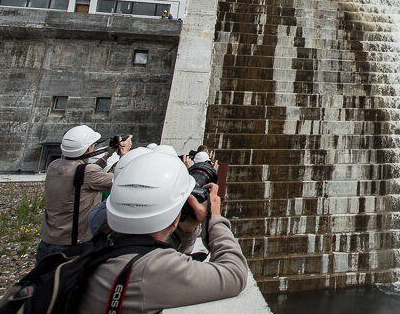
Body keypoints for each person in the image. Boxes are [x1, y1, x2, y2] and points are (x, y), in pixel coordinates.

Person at [77, 151, 248, 313]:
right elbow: (235, 274)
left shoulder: (95, 250)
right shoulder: (151, 271)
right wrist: (214, 217)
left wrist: (185, 232)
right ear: (174, 218)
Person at [37, 125, 132, 262]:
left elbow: (83, 172)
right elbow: (123, 180)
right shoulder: (88, 173)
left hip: (47, 241)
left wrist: (109, 153)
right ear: (88, 149)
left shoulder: (54, 166)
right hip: (71, 245)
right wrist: (124, 155)